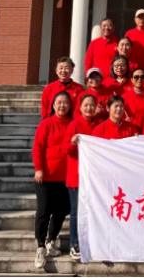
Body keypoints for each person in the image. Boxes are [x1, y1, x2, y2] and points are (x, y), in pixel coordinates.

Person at [32, 91, 72, 269]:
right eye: (59, 102)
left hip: (65, 178)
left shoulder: (72, 124)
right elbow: (38, 148)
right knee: (43, 211)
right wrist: (39, 169)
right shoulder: (46, 123)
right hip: (46, 177)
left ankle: (51, 240)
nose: (62, 105)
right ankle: (40, 246)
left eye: (65, 102)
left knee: (61, 210)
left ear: (70, 106)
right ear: (53, 105)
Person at [62, 94, 97, 261]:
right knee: (76, 211)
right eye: (86, 105)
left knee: (92, 211)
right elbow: (65, 148)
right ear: (80, 107)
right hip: (76, 176)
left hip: (93, 178)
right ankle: (74, 244)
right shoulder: (74, 124)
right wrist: (72, 142)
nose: (89, 108)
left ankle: (90, 242)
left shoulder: (98, 125)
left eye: (92, 105)